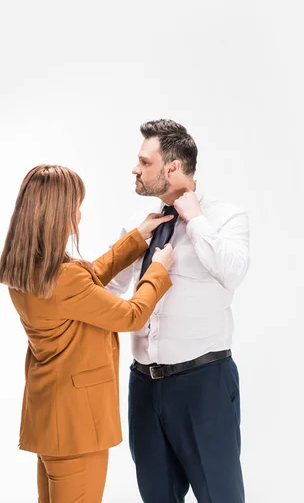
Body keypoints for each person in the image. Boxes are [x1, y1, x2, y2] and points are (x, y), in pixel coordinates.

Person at [0, 164, 175, 503]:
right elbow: (132, 315)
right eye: (76, 205)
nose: (79, 214)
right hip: (77, 431)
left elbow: (87, 278)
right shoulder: (63, 280)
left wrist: (136, 239)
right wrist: (157, 270)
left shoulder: (25, 269)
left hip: (52, 424)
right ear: (58, 214)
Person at [107, 119, 250, 503]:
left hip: (204, 384)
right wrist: (133, 243)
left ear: (171, 168)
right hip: (144, 387)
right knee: (156, 496)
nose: (134, 169)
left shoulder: (224, 218)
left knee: (220, 496)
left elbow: (233, 272)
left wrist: (196, 221)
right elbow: (106, 290)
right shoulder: (142, 225)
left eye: (143, 161)